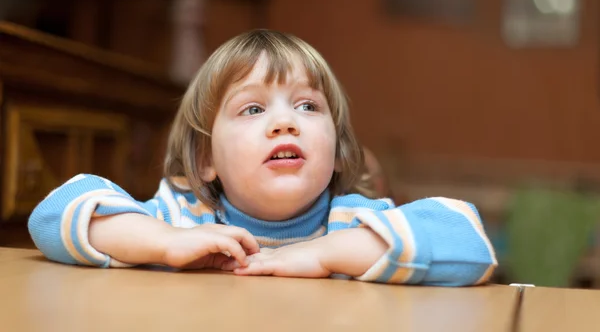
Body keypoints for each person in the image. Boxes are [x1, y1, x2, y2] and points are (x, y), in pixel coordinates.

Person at [28, 30, 497, 286]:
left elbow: (474, 247)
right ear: (205, 158)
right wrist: (162, 241)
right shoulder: (184, 216)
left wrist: (327, 253)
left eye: (308, 106)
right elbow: (50, 217)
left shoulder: (353, 222)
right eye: (253, 109)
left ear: (338, 155)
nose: (285, 123)